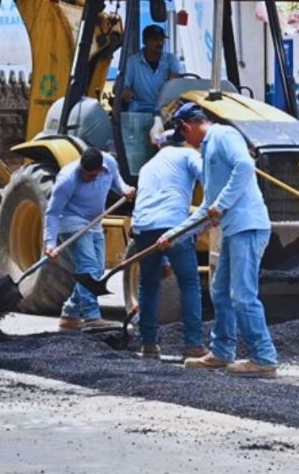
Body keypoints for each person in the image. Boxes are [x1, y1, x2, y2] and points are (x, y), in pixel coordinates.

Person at [166, 103, 278, 378]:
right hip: (232, 230)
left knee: (242, 294)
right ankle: (222, 351)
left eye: (183, 136)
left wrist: (223, 203)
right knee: (220, 291)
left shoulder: (223, 136)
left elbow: (244, 165)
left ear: (187, 126)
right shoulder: (206, 152)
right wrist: (172, 235)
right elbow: (207, 208)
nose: (187, 144)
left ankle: (264, 357)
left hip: (248, 227)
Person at [130, 133, 205, 359]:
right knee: (190, 284)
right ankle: (193, 345)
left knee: (148, 285)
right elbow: (208, 177)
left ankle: (149, 344)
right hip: (175, 228)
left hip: (142, 228)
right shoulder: (188, 154)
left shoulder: (147, 166)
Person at [45, 147, 135, 332]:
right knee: (88, 267)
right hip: (72, 223)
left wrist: (125, 190)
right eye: (86, 175)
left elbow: (117, 181)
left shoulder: (108, 163)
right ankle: (91, 317)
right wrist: (50, 243)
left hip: (95, 223)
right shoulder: (67, 179)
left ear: (101, 169)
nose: (88, 178)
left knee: (97, 270)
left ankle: (70, 314)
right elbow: (52, 213)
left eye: (92, 175)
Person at [119, 25, 182, 173]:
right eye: (155, 40)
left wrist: (175, 80)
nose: (159, 43)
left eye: (161, 40)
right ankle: (134, 166)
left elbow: (177, 82)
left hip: (164, 109)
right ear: (145, 41)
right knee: (132, 109)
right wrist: (125, 91)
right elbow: (121, 87)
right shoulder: (132, 62)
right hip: (141, 107)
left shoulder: (171, 59)